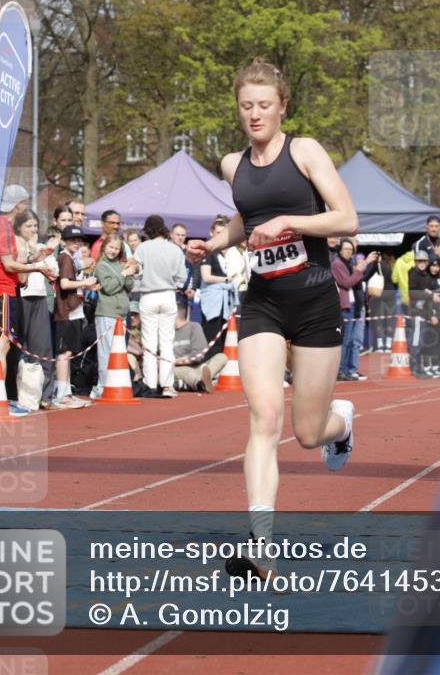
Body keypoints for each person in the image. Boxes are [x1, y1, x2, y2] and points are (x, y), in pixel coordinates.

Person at [187, 59, 358, 576]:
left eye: (264, 105)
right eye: (246, 106)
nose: (255, 114)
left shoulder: (304, 150)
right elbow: (249, 213)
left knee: (308, 433)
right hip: (262, 301)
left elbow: (346, 218)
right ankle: (262, 544)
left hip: (314, 301)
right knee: (264, 418)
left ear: (283, 106)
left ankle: (342, 424)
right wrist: (217, 240)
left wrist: (290, 221)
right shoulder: (231, 164)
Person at [0, 184, 55, 405]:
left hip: (4, 289)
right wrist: (37, 268)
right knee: (2, 344)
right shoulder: (4, 227)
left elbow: (12, 263)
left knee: (3, 343)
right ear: (19, 205)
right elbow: (8, 265)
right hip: (3, 291)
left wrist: (34, 260)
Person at [134, 215, 187, 398]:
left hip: (148, 296)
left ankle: (150, 384)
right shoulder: (175, 249)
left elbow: (136, 273)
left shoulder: (142, 248)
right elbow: (182, 277)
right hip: (168, 295)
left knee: (149, 344)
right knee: (166, 343)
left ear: (147, 230)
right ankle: (167, 385)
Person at [14, 209, 58, 409]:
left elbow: (53, 270)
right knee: (18, 347)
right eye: (28, 226)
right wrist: (31, 254)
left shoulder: (41, 246)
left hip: (39, 297)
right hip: (20, 297)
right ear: (19, 227)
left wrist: (41, 253)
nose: (32, 230)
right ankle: (15, 393)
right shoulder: (15, 243)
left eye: (34, 226)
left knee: (43, 348)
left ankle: (45, 395)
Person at [54, 225, 98, 406]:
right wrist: (85, 282)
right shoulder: (65, 258)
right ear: (64, 241)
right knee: (64, 353)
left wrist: (86, 285)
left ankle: (66, 392)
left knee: (69, 352)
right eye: (72, 240)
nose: (76, 243)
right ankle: (62, 394)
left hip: (73, 310)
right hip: (66, 312)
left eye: (78, 240)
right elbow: (64, 284)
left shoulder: (70, 258)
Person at [93, 233, 139, 397]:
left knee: (119, 351)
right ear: (104, 247)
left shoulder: (121, 264)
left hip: (122, 314)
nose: (113, 251)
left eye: (117, 248)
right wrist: (123, 274)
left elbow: (129, 285)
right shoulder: (101, 266)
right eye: (111, 247)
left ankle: (115, 385)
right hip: (107, 313)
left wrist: (129, 270)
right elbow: (109, 287)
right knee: (106, 352)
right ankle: (103, 386)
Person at [331, 239, 375, 381]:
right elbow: (347, 282)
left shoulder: (350, 263)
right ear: (340, 250)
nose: (349, 252)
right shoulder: (337, 264)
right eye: (346, 249)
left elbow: (359, 278)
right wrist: (359, 270)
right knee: (346, 340)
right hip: (346, 306)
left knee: (355, 340)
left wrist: (367, 265)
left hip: (356, 305)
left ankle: (350, 369)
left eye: (351, 250)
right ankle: (342, 370)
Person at [199, 216, 238, 354]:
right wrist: (226, 280)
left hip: (227, 301)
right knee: (212, 337)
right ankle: (210, 370)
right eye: (218, 233)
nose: (220, 236)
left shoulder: (231, 252)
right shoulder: (208, 252)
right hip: (212, 301)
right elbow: (206, 276)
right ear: (211, 233)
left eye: (223, 233)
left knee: (226, 337)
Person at [173, 300, 228, 393]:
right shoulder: (165, 331)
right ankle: (200, 383)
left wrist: (177, 360)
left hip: (196, 366)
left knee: (222, 357)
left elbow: (199, 354)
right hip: (178, 369)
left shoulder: (194, 327)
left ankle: (198, 381)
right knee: (181, 371)